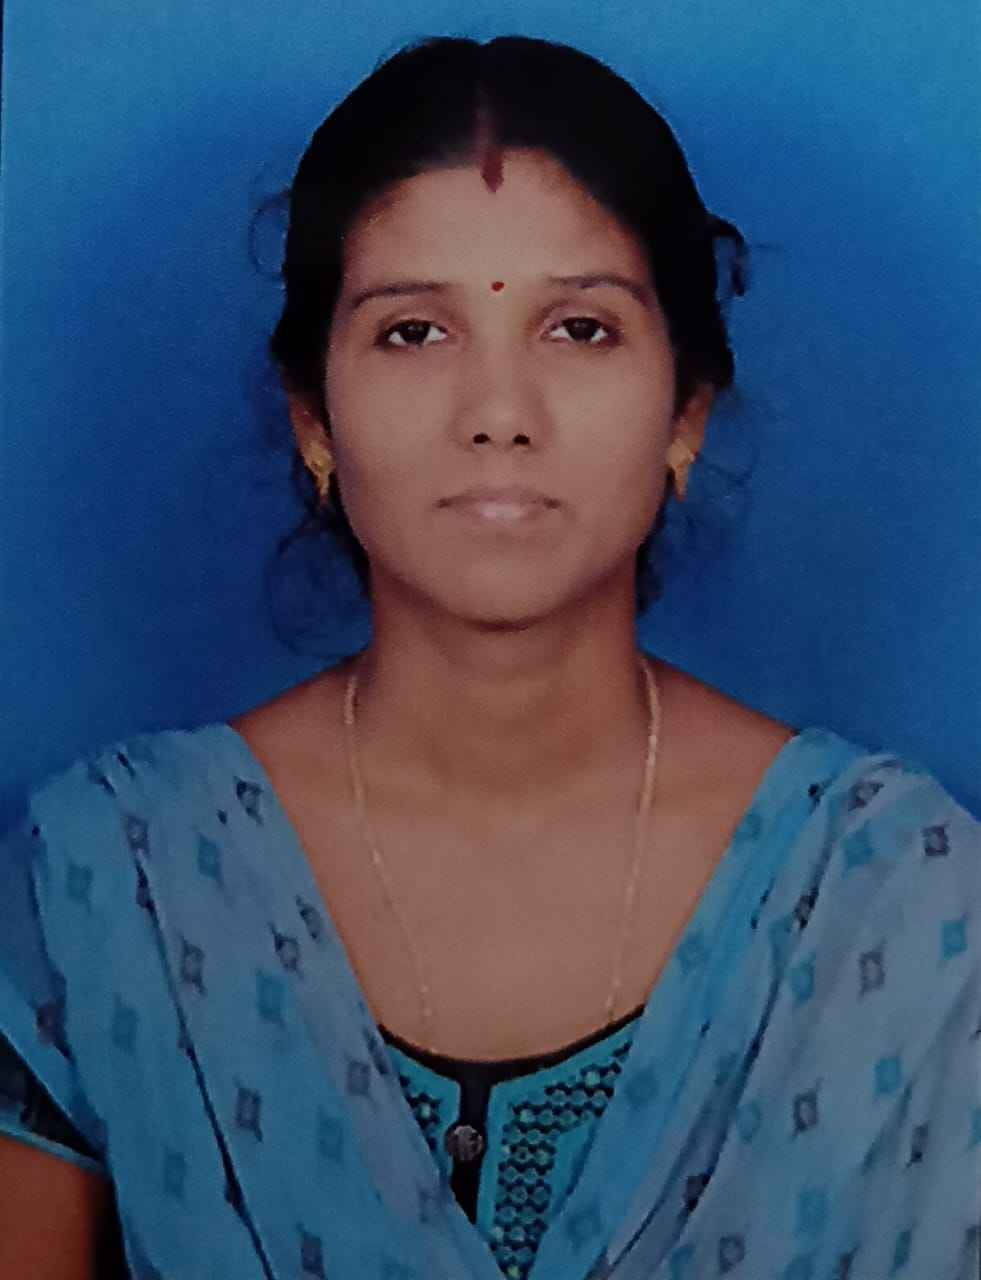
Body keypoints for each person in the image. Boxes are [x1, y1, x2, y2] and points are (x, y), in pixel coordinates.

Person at [0, 33, 978, 1280]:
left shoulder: (897, 899)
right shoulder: (107, 885)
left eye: (580, 328)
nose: (499, 412)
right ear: (314, 420)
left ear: (686, 414)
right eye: (414, 332)